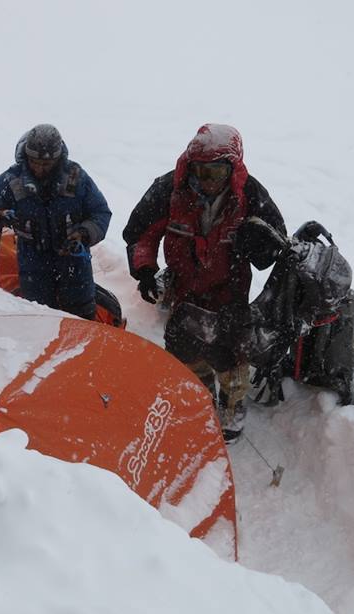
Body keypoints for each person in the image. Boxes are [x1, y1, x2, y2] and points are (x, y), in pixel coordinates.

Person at [123, 124, 286, 442]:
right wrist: (144, 271)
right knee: (184, 347)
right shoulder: (168, 190)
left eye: (216, 173)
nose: (207, 181)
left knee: (232, 352)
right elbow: (141, 233)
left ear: (233, 168)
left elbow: (276, 244)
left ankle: (232, 405)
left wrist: (260, 241)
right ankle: (199, 396)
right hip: (184, 288)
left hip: (231, 289)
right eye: (201, 171)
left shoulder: (250, 195)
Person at [0, 124, 112, 320]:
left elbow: (101, 213)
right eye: (34, 162)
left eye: (46, 164)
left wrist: (85, 233)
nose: (39, 169)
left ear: (58, 159)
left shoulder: (77, 177)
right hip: (33, 270)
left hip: (75, 268)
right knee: (40, 325)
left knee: (83, 324)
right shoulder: (11, 181)